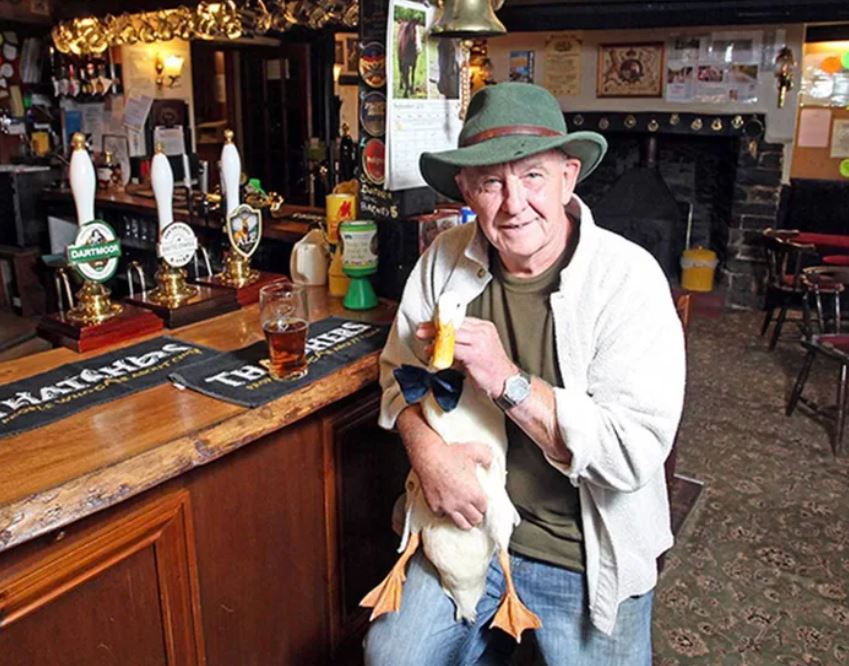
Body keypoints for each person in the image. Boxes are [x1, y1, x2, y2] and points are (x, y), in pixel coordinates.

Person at [364, 82, 686, 664]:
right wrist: (425, 452)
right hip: (468, 535)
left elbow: (633, 452)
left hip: (583, 554)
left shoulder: (629, 280)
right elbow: (397, 377)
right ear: (467, 190)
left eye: (532, 176)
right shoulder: (442, 259)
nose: (514, 203)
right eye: (491, 182)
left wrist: (506, 380)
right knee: (390, 655)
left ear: (569, 176)